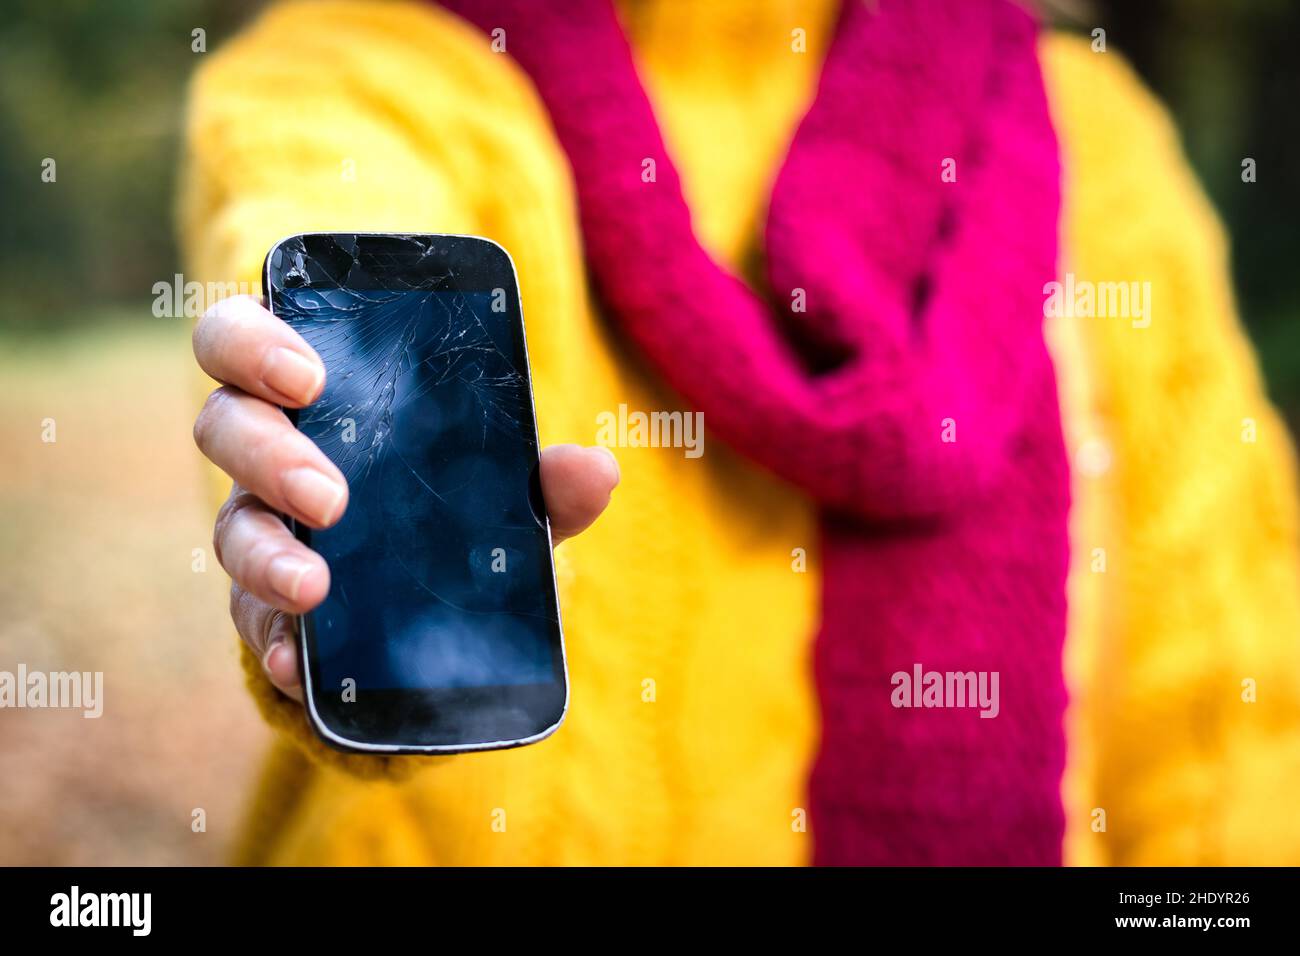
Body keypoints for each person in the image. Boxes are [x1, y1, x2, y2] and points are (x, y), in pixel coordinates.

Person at [183, 0, 1300, 865]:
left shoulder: (1088, 140)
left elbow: (1228, 709)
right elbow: (326, 212)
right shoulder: (359, 76)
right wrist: (320, 527)